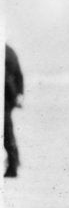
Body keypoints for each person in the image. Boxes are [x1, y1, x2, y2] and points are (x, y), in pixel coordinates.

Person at [5, 43, 24, 178]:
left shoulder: (7, 51)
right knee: (7, 132)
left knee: (6, 132)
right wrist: (19, 94)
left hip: (6, 98)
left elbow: (16, 74)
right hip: (9, 98)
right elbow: (19, 74)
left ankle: (13, 165)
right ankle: (13, 163)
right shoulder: (9, 50)